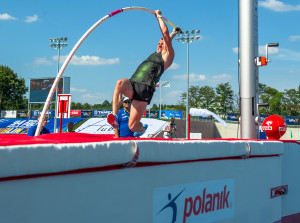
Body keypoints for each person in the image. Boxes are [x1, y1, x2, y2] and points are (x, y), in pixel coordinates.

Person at [107, 10, 181, 137]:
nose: (158, 44)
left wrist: (158, 17)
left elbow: (165, 34)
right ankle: (114, 118)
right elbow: (166, 38)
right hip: (133, 83)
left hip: (145, 90)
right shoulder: (156, 53)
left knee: (133, 125)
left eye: (161, 43)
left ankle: (142, 129)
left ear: (166, 46)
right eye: (158, 43)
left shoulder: (168, 57)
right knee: (119, 83)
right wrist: (174, 33)